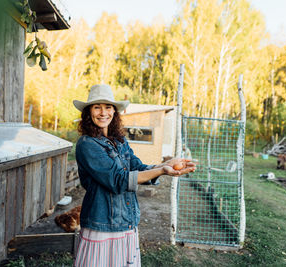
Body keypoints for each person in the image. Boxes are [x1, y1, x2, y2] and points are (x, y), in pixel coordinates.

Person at [73, 84, 196, 267]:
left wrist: (165, 165)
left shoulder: (120, 141)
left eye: (108, 107)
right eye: (97, 107)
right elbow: (117, 180)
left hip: (126, 220)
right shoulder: (87, 144)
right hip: (102, 223)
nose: (103, 112)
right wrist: (162, 170)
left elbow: (137, 167)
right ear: (89, 112)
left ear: (114, 112)